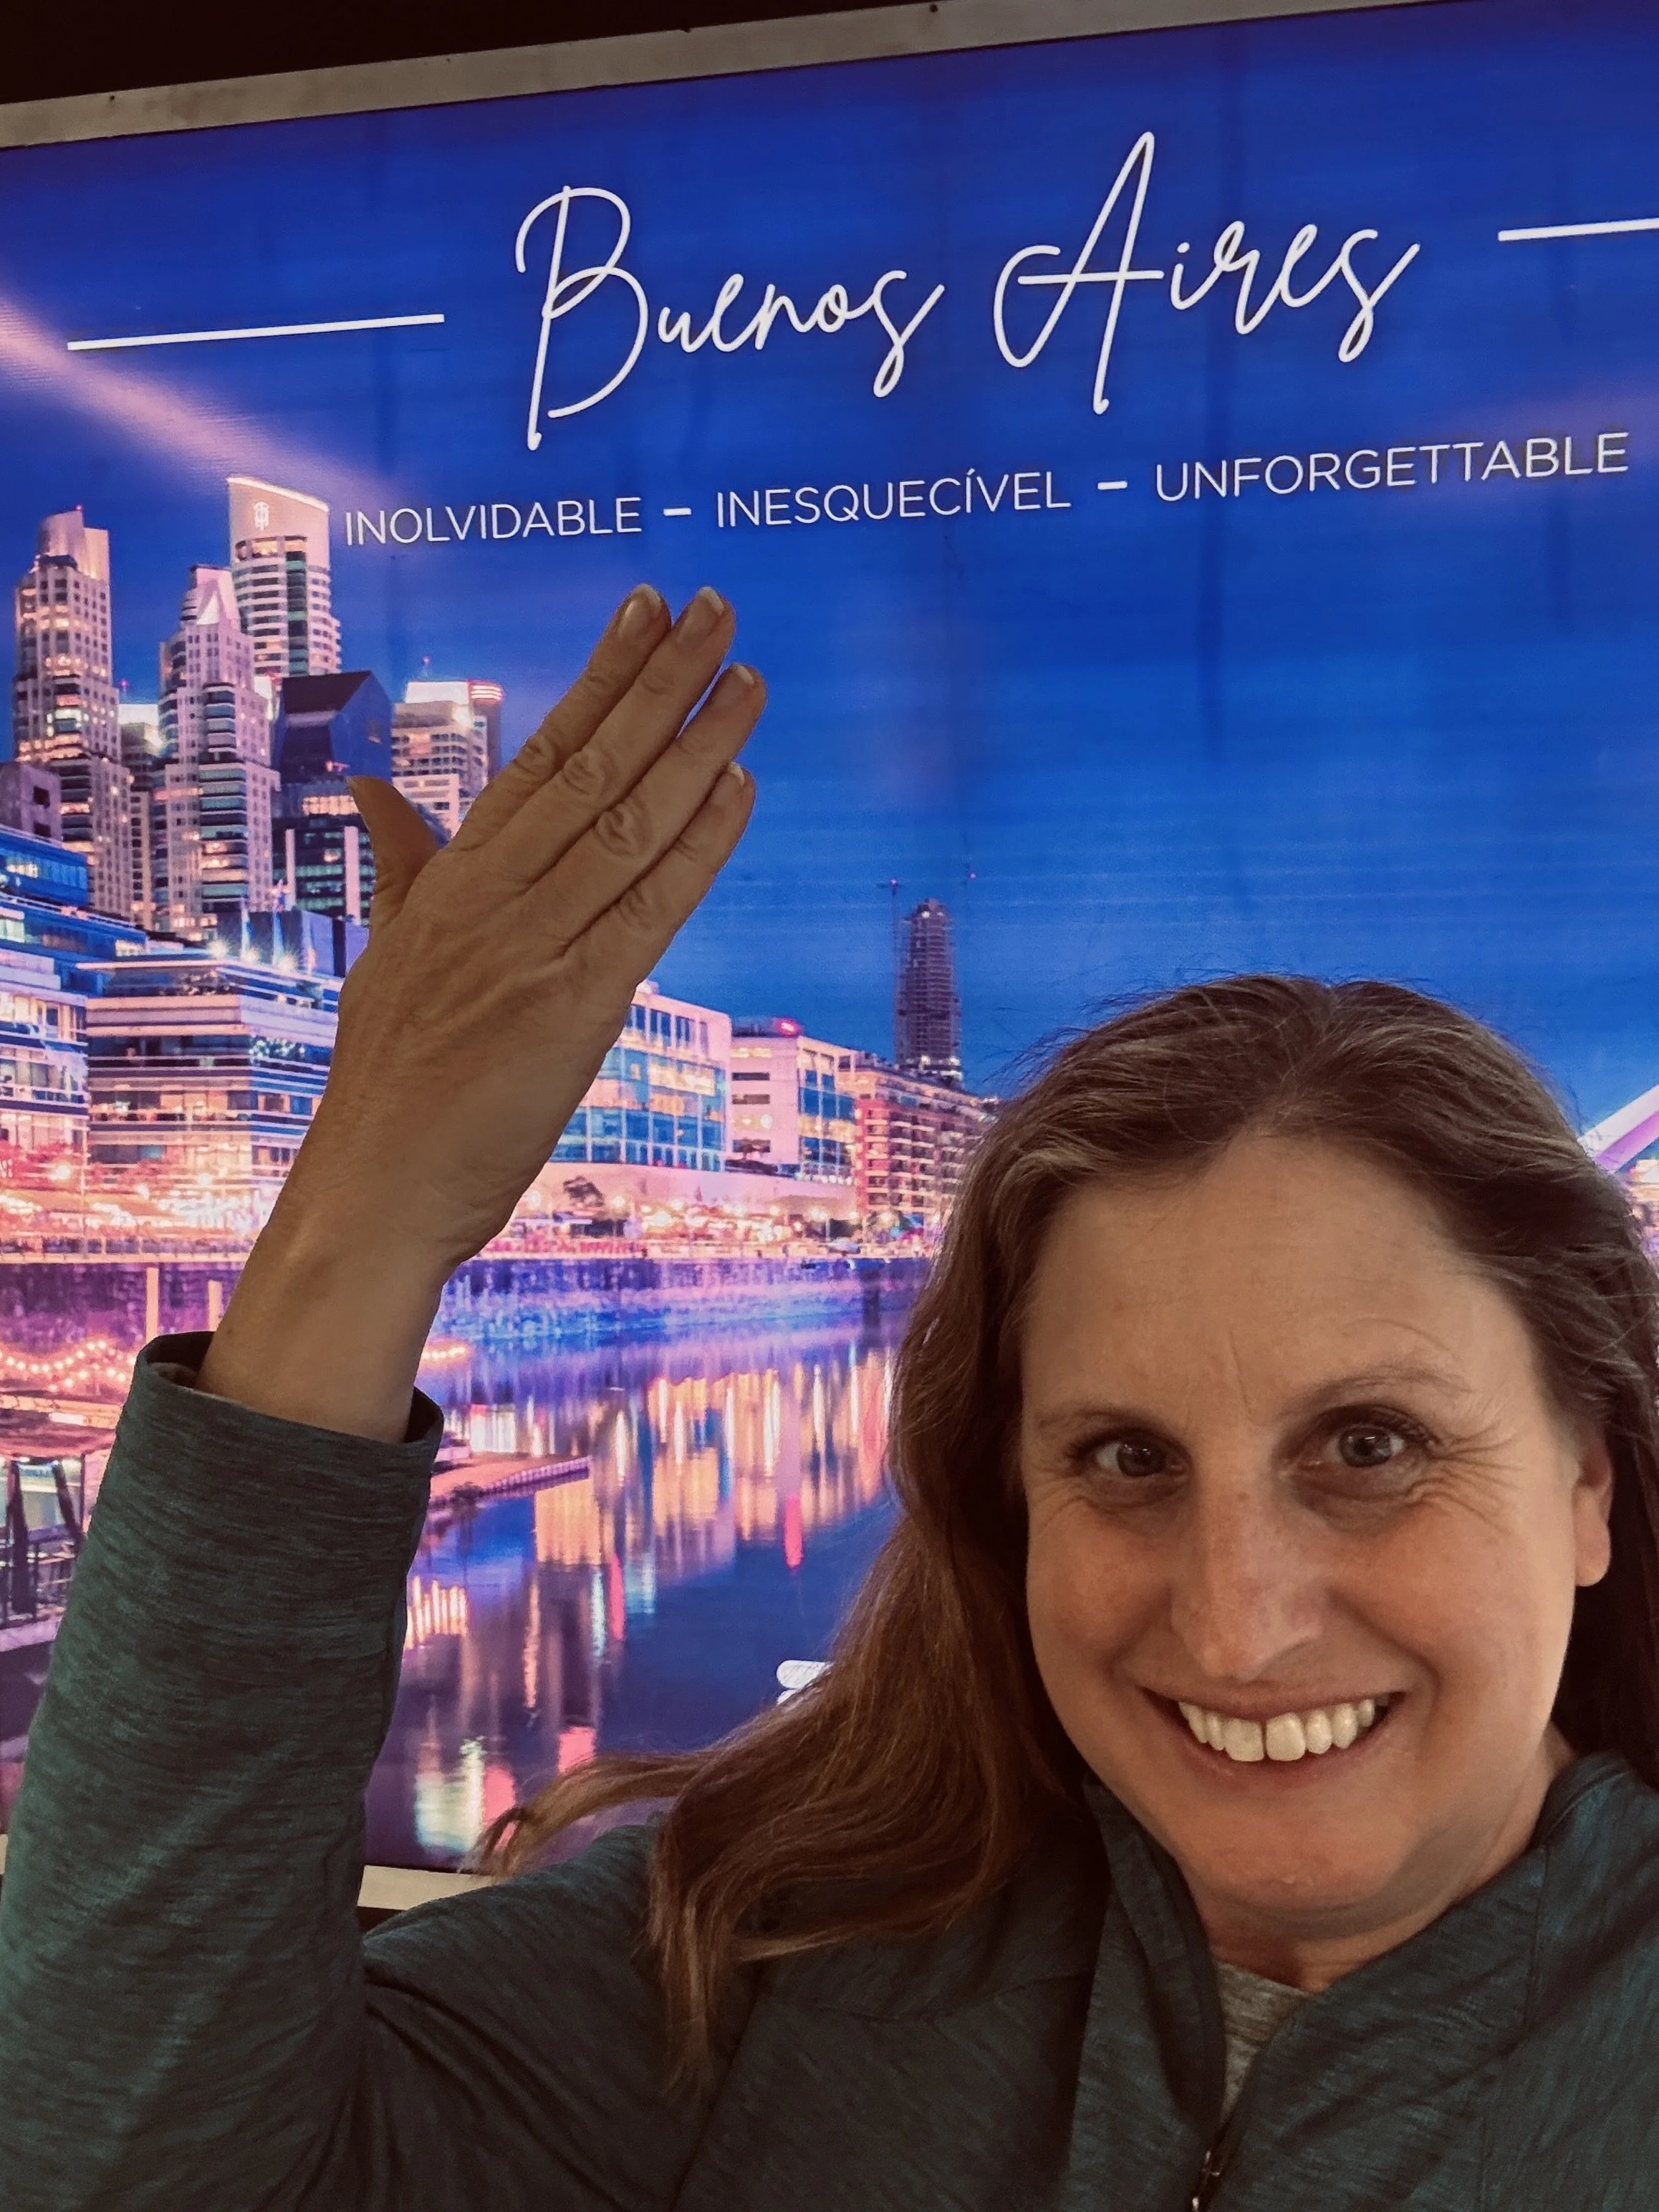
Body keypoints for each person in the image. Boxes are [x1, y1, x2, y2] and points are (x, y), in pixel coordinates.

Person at [1, 583, 1657, 2212]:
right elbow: (127, 2159)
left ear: (1592, 1476)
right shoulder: (774, 1940)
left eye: (1370, 1446)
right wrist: (365, 1206)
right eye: (1124, 1455)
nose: (1236, 1623)